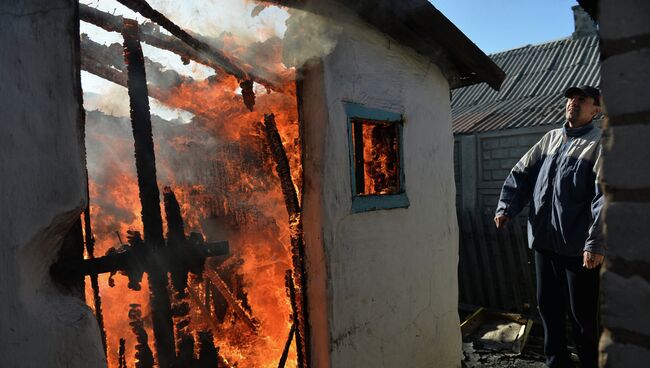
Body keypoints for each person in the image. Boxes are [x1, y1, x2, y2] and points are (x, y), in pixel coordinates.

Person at [494, 85, 604, 368]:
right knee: (549, 310)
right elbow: (520, 174)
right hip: (544, 243)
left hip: (579, 250)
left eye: (582, 100)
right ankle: (556, 363)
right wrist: (507, 207)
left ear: (597, 109)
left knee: (582, 317)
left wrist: (596, 243)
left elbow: (606, 197)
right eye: (570, 99)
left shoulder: (599, 144)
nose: (573, 103)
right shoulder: (550, 140)